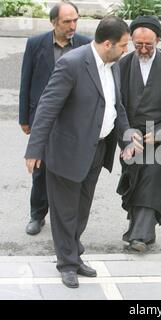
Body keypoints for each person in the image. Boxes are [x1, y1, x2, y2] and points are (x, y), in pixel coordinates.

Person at [24, 16, 135, 289]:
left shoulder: (113, 66)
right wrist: (34, 149)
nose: (126, 50)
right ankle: (67, 264)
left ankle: (73, 254)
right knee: (64, 212)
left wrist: (127, 137)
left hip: (97, 150)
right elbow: (47, 108)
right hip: (67, 150)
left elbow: (116, 107)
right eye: (123, 45)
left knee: (82, 209)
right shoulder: (72, 63)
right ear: (107, 43)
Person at [118, 15, 161, 253]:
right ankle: (138, 230)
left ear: (158, 39)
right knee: (136, 179)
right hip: (133, 135)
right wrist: (127, 134)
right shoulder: (123, 65)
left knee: (153, 179)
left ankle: (139, 236)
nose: (144, 49)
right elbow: (116, 106)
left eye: (149, 44)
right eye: (138, 44)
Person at [19, 1, 90, 235]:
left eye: (75, 20)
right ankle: (37, 215)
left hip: (73, 120)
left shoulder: (85, 45)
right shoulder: (36, 44)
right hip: (44, 116)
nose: (72, 26)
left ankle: (69, 219)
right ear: (53, 22)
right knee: (40, 167)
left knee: (70, 169)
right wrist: (25, 118)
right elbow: (26, 81)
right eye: (67, 21)